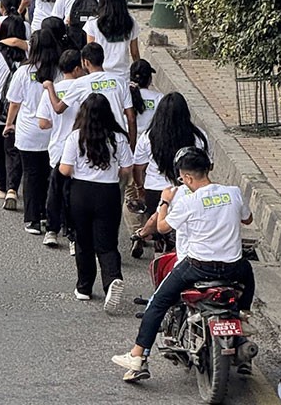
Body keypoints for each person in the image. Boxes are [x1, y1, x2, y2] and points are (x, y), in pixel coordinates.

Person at [111, 146, 255, 383]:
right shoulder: (233, 192)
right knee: (247, 270)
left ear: (187, 177)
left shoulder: (189, 201)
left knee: (158, 301)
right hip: (232, 268)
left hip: (199, 266)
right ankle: (243, 312)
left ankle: (138, 356)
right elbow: (247, 219)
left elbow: (162, 228)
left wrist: (164, 202)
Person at [60, 93, 134, 308]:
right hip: (108, 193)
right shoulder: (118, 138)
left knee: (83, 241)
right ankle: (112, 280)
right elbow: (127, 169)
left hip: (80, 192)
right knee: (107, 243)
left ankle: (84, 287)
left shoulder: (76, 137)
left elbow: (65, 169)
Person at [132, 91, 208, 256]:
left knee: (161, 228)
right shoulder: (199, 137)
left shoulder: (148, 137)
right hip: (188, 191)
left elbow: (138, 168)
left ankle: (158, 255)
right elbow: (207, 166)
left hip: (155, 191)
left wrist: (140, 188)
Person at [4, 24, 61, 234]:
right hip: (52, 133)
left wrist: (9, 124)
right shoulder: (58, 73)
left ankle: (32, 219)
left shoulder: (23, 72)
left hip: (28, 132)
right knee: (49, 175)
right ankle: (47, 214)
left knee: (31, 175)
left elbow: (14, 102)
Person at [36, 48, 84, 251]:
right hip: (79, 150)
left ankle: (51, 231)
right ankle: (73, 237)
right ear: (76, 68)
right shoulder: (84, 88)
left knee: (54, 191)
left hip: (57, 149)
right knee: (74, 195)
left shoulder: (52, 89)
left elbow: (43, 123)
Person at [84, 0, 141, 74]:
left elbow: (90, 52)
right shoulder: (131, 22)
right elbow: (134, 52)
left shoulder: (92, 23)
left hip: (100, 74)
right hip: (123, 75)